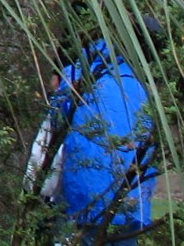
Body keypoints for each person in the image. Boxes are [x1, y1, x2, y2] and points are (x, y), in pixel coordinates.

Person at [35, 28, 160, 245]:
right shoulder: (142, 89)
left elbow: (53, 130)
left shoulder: (78, 76)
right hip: (129, 199)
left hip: (82, 197)